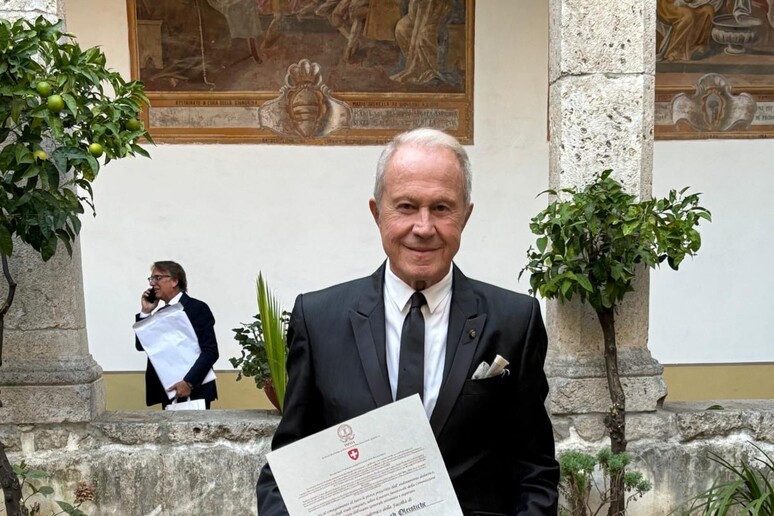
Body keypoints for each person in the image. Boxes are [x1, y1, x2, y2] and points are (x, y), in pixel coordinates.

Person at [255, 128, 559, 515]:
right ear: (376, 212)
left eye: (442, 208)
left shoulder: (515, 320)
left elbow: (534, 470)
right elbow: (287, 471)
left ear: (465, 216)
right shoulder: (318, 320)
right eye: (406, 206)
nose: (424, 227)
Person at [135, 261, 219, 409]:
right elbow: (142, 346)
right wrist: (146, 312)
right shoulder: (159, 313)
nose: (153, 283)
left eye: (158, 278)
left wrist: (189, 383)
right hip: (169, 389)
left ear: (174, 281)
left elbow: (210, 351)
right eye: (151, 279)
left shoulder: (197, 308)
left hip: (195, 389)